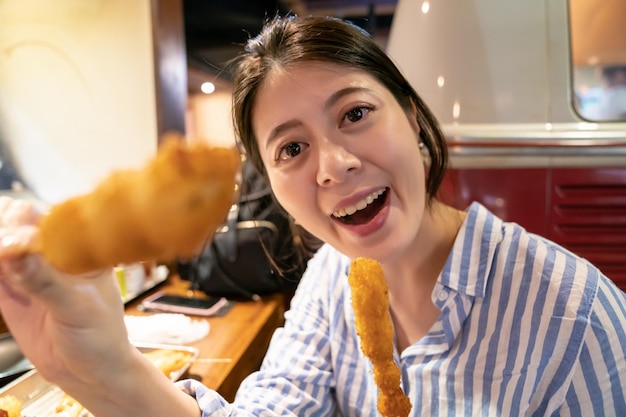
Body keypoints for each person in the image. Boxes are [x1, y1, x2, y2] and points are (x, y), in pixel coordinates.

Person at [0, 15, 624, 417]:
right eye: (291, 149)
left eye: (354, 114)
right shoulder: (332, 278)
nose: (332, 166)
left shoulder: (576, 322)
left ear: (410, 115)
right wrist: (101, 363)